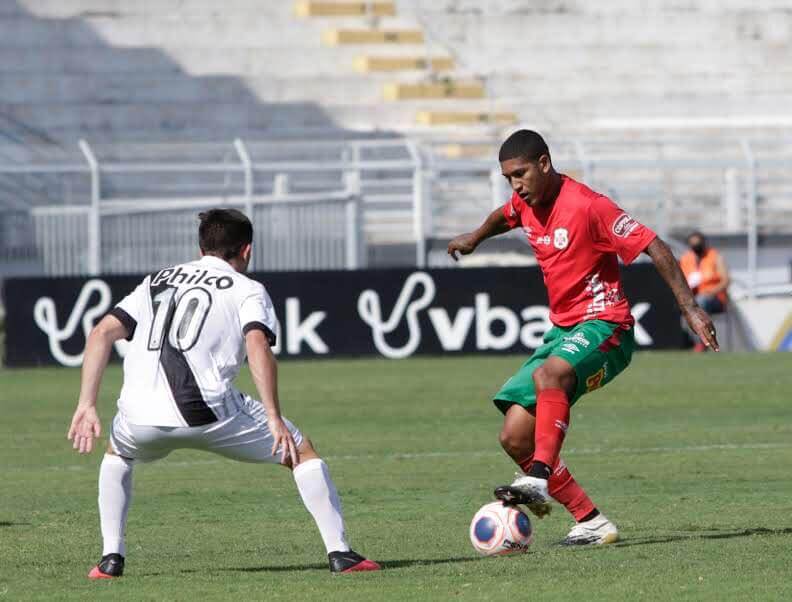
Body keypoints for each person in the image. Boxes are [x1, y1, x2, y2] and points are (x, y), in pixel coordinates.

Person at [67, 209, 380, 578]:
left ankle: (110, 559)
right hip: (210, 412)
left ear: (201, 247)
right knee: (301, 452)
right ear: (246, 250)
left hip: (139, 417)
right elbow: (257, 345)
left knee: (118, 454)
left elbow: (101, 333)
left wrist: (86, 404)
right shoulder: (248, 289)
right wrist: (273, 416)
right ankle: (340, 554)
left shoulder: (157, 281)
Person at [447, 130, 719, 545]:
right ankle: (590, 521)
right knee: (514, 436)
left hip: (607, 327)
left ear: (544, 163)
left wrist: (690, 308)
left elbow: (657, 247)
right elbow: (505, 215)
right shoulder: (525, 202)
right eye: (508, 179)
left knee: (549, 378)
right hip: (563, 332)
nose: (515, 185)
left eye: (520, 174)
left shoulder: (590, 207)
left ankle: (537, 477)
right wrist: (474, 237)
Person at [679, 231, 730, 351]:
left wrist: (711, 292)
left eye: (698, 244)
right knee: (685, 305)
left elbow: (726, 280)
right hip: (693, 297)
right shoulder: (686, 259)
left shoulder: (715, 256)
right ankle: (687, 342)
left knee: (701, 302)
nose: (696, 247)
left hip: (715, 298)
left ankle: (702, 342)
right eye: (693, 245)